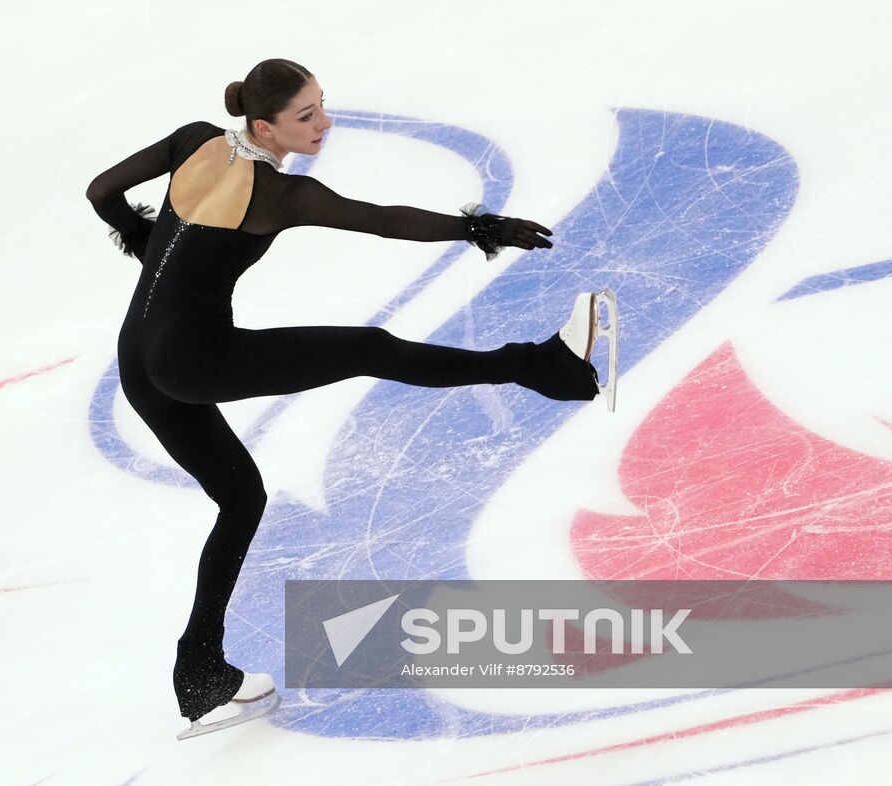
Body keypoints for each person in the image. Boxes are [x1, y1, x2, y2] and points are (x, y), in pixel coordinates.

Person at [86, 58, 610, 740]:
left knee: (241, 499)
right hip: (194, 362)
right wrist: (479, 228)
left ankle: (202, 674)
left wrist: (138, 235)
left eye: (322, 107)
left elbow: (101, 190)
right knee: (370, 348)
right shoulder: (273, 195)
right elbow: (383, 221)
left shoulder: (192, 140)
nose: (324, 124)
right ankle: (546, 368)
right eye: (307, 117)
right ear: (266, 125)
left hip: (140, 362)